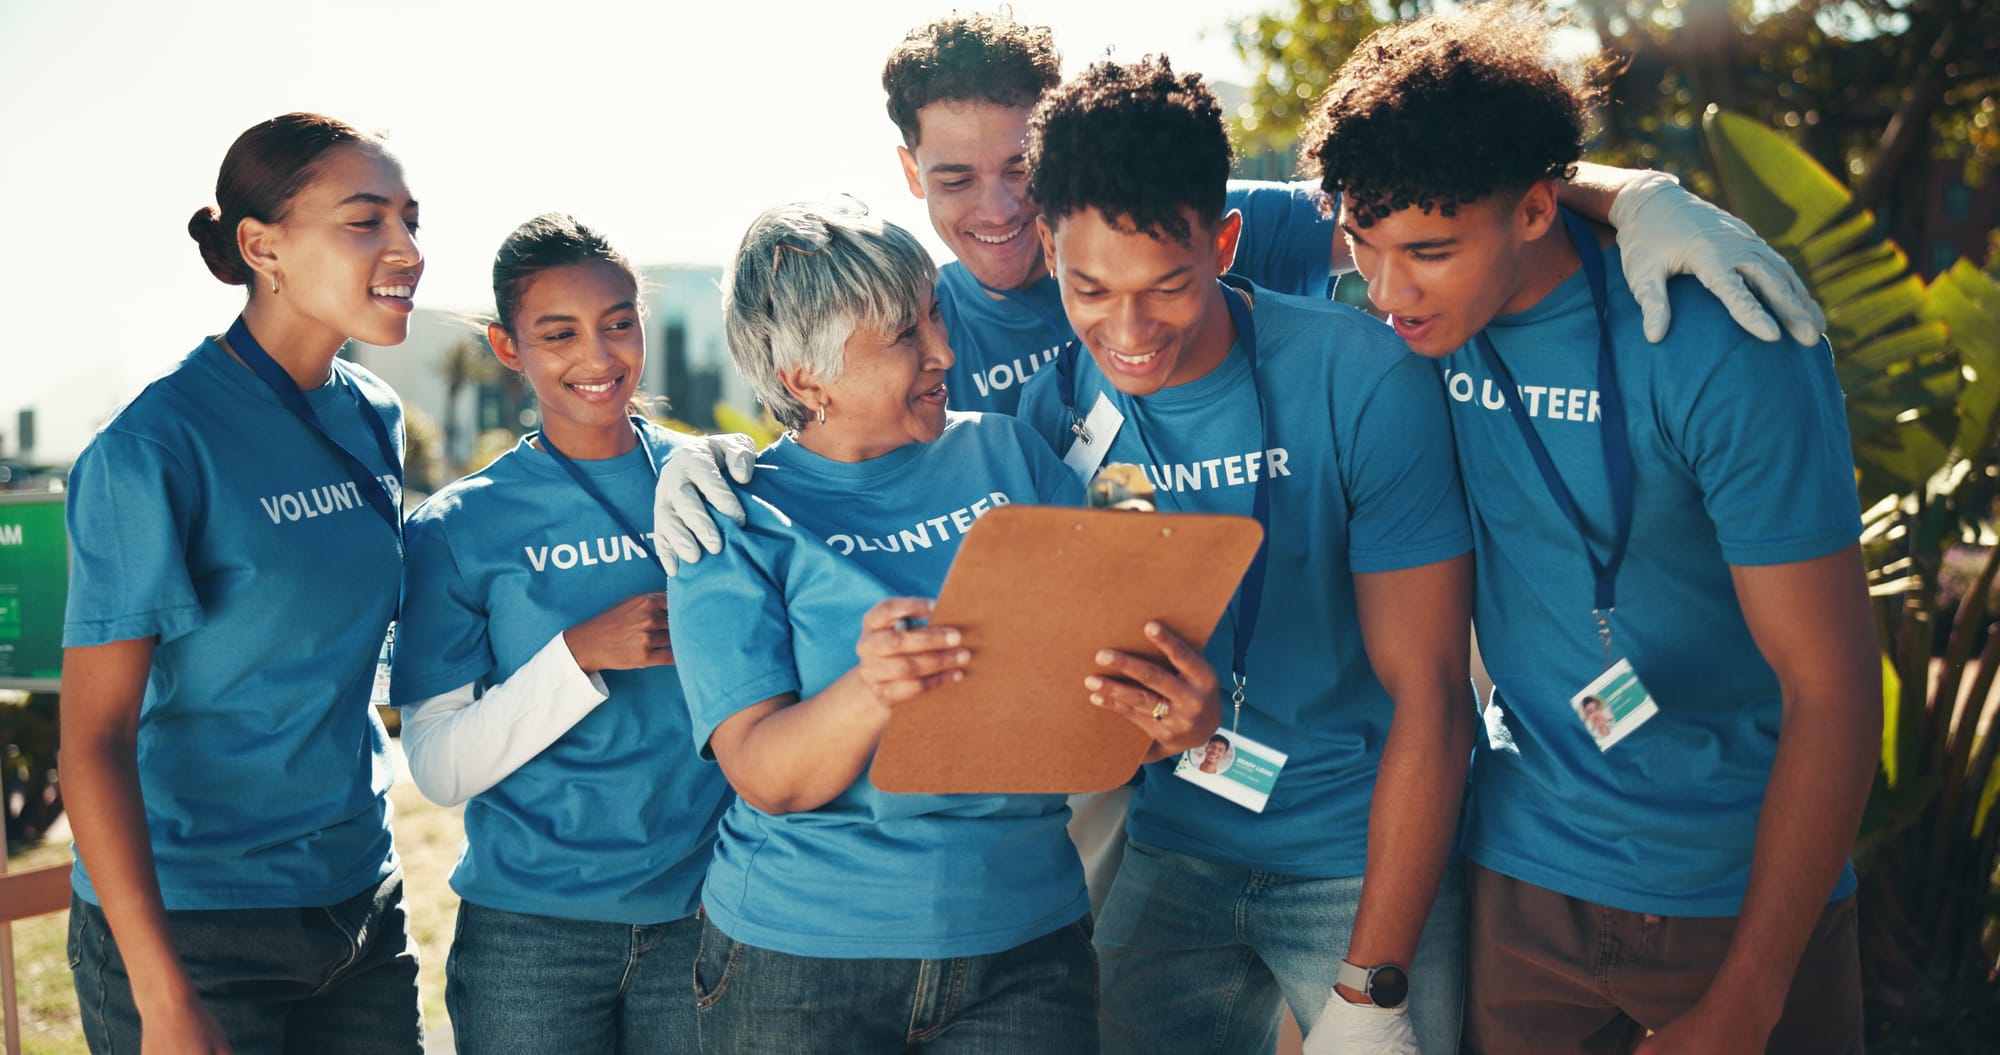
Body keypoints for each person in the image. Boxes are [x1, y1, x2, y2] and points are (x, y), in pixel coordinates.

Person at [1302, 7, 1879, 1054]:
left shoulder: (1717, 339)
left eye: (1426, 252)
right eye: (1360, 244)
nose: (1384, 291)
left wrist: (1746, 1000)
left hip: (1733, 891)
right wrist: (1634, 185)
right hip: (1518, 877)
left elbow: (1832, 690)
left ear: (1532, 209)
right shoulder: (1418, 303)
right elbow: (1152, 224)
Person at [667, 199, 1223, 1053]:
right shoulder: (727, 520)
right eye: (902, 336)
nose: (944, 352)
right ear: (803, 378)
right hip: (801, 965)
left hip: (1025, 948)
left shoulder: (1011, 454)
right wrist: (871, 689)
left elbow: (1091, 706)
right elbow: (766, 773)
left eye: (935, 314)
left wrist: (1170, 723)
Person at [1013, 57, 1478, 1055]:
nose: (1127, 333)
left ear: (1222, 243)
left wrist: (1370, 987)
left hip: (1359, 854)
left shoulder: (1359, 377)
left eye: (1167, 287)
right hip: (1175, 848)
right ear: (1046, 246)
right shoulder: (1049, 410)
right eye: (1087, 287)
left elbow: (1432, 695)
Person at [60, 113, 423, 1055]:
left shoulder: (372, 411)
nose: (408, 249)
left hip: (358, 904)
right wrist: (162, 995)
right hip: (195, 927)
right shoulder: (152, 450)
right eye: (366, 221)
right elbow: (92, 741)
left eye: (411, 220)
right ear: (264, 247)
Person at [388, 214, 733, 1052]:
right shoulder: (458, 525)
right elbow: (436, 766)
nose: (599, 356)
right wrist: (578, 653)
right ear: (509, 348)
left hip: (706, 912)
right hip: (530, 938)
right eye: (559, 333)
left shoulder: (718, 481)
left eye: (619, 322)